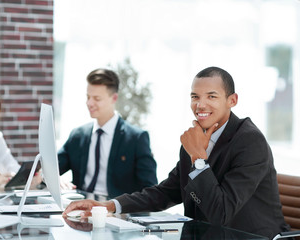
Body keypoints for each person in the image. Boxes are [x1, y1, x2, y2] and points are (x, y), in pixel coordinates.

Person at [63, 66, 290, 239]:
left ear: (232, 100)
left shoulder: (250, 141)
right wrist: (109, 206)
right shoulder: (195, 137)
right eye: (195, 97)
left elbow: (221, 213)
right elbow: (167, 192)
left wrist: (199, 159)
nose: (201, 105)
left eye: (211, 96)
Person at [57, 68, 158, 198]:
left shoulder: (136, 138)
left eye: (97, 98)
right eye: (88, 97)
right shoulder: (78, 135)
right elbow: (50, 167)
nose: (89, 103)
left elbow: (150, 189)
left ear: (114, 98)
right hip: (81, 207)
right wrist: (55, 179)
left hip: (116, 211)